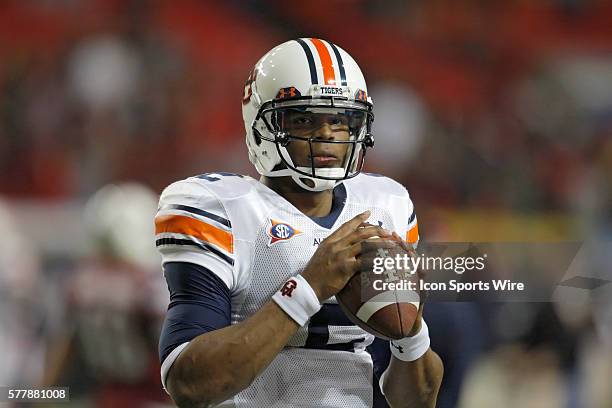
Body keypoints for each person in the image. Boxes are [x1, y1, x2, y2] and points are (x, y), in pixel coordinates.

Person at [156, 38, 443, 408]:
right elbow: (189, 383)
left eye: (339, 120)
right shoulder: (221, 209)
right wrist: (307, 288)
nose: (326, 134)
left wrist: (409, 330)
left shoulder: (385, 207)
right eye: (305, 119)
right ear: (262, 125)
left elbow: (416, 400)